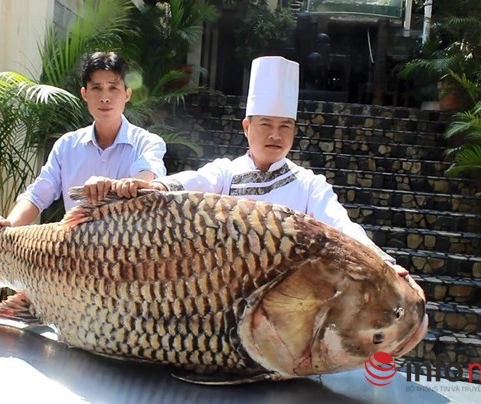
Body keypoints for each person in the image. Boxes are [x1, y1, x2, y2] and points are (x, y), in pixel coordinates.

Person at [112, 56, 424, 298]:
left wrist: (384, 263)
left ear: (294, 131)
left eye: (284, 126)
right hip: (218, 294)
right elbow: (194, 181)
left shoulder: (309, 185)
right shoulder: (225, 172)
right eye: (265, 124)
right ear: (247, 127)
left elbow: (342, 226)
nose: (275, 135)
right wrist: (151, 186)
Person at [0, 51, 166, 234]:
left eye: (113, 88)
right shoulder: (66, 146)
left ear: (127, 93)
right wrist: (8, 225)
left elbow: (147, 175)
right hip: (73, 259)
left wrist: (119, 185)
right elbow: (37, 195)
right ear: (84, 93)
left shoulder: (148, 142)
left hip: (125, 258)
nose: (105, 97)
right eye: (97, 88)